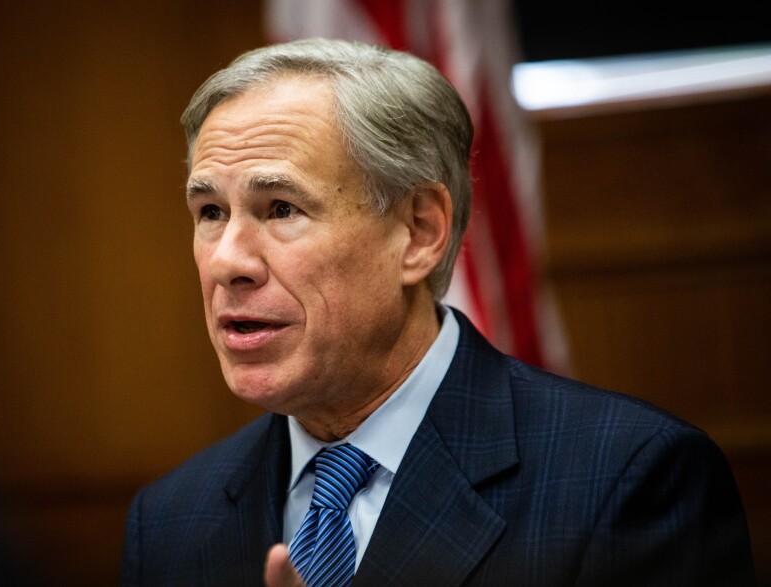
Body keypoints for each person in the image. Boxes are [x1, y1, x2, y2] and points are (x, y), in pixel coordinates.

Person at [121, 38, 754, 586]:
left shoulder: (627, 480)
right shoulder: (170, 521)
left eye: (281, 208)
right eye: (210, 213)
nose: (228, 261)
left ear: (419, 232)